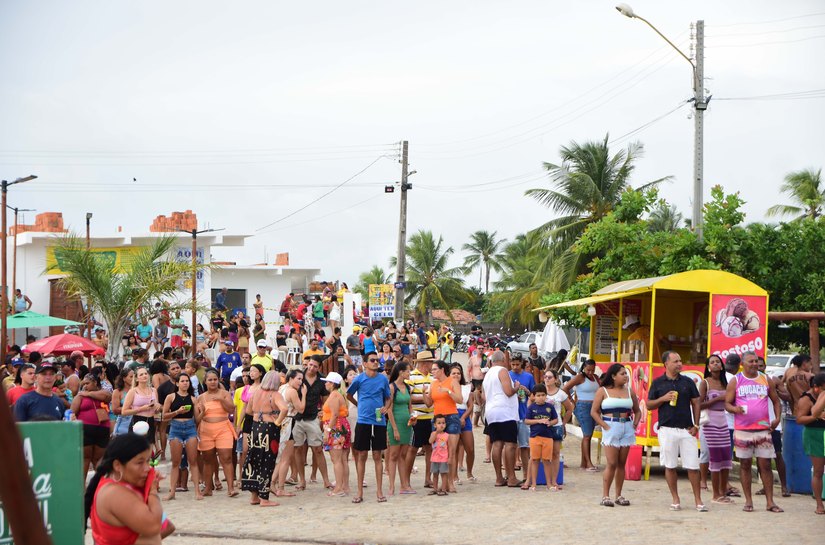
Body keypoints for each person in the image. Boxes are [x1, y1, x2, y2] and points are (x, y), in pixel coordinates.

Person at [85, 433, 171, 544]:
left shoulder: (120, 487)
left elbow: (167, 526)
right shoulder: (115, 494)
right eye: (140, 462)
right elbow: (154, 526)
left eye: (147, 461)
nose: (147, 468)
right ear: (117, 465)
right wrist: (152, 490)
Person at [648, 351, 706, 512]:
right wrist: (663, 399)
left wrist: (696, 424)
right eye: (675, 361)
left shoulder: (687, 382)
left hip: (687, 430)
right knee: (670, 465)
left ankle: (698, 500)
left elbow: (696, 402)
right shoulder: (658, 383)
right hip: (667, 429)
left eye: (680, 361)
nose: (679, 364)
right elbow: (649, 405)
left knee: (693, 466)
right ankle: (675, 498)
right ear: (666, 364)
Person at [725, 351, 783, 513]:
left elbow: (776, 401)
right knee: (745, 465)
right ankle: (748, 501)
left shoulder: (766, 379)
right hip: (743, 430)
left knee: (765, 465)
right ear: (743, 363)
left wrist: (777, 418)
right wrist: (735, 408)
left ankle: (770, 502)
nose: (755, 363)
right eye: (751, 361)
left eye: (756, 361)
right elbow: (727, 404)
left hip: (763, 430)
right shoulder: (736, 381)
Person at [590, 364, 640, 506]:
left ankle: (618, 495)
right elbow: (594, 411)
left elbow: (637, 410)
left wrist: (635, 424)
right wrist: (605, 425)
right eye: (622, 373)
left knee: (621, 463)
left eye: (626, 373)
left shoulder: (630, 391)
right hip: (611, 425)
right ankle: (605, 495)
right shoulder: (603, 391)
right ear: (613, 376)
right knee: (611, 462)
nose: (626, 376)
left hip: (627, 426)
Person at [346, 351, 391, 503]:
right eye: (372, 360)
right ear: (365, 363)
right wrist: (359, 405)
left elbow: (388, 398)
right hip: (363, 421)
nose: (375, 362)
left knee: (378, 456)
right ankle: (359, 492)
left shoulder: (383, 379)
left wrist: (386, 407)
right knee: (362, 455)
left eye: (377, 360)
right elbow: (349, 394)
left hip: (379, 421)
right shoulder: (359, 379)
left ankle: (379, 491)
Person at [242, 370, 286, 507]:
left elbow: (248, 411)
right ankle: (264, 498)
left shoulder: (256, 392)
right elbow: (284, 409)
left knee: (254, 460)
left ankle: (254, 496)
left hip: (255, 427)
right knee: (267, 462)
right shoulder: (275, 394)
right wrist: (278, 421)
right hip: (269, 428)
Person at [197, 368, 239, 497]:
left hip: (223, 427)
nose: (213, 382)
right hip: (206, 429)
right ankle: (208, 487)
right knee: (207, 459)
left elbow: (231, 409)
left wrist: (221, 400)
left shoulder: (224, 393)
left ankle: (230, 488)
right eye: (210, 380)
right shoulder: (201, 397)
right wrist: (203, 411)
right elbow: (197, 419)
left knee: (226, 458)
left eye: (215, 379)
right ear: (205, 382)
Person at [698, 354, 734, 504]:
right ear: (708, 367)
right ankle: (715, 494)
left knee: (726, 456)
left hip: (723, 420)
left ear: (722, 365)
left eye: (717, 362)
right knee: (714, 456)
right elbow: (699, 405)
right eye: (712, 362)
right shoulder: (705, 383)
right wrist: (717, 399)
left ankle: (723, 491)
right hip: (709, 421)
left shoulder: (727, 382)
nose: (715, 364)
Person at [481, 350, 520, 488]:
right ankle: (511, 477)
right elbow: (508, 392)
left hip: (491, 412)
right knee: (510, 444)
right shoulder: (502, 371)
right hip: (505, 411)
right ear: (503, 360)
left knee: (497, 443)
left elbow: (483, 396)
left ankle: (499, 477)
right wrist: (516, 387)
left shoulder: (487, 375)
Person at [162, 372, 203, 501]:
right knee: (176, 462)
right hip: (175, 427)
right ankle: (172, 491)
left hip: (190, 428)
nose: (185, 383)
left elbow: (197, 419)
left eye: (187, 381)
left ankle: (197, 491)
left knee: (193, 461)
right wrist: (177, 412)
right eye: (183, 381)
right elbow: (164, 416)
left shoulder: (193, 398)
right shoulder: (171, 397)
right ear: (177, 383)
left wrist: (204, 411)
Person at [293, 358, 332, 490]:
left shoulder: (322, 380)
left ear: (319, 367)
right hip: (297, 417)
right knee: (298, 448)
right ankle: (302, 480)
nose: (311, 368)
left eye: (315, 366)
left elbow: (326, 398)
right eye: (310, 365)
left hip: (313, 417)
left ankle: (326, 480)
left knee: (318, 449)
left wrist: (323, 413)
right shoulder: (298, 376)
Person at [795, 371, 825, 515]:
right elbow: (800, 419)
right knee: (818, 470)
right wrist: (817, 417)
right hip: (814, 434)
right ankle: (819, 504)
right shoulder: (806, 399)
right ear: (816, 387)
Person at [273, 369, 306, 498]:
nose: (300, 381)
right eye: (298, 378)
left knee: (280, 458)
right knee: (285, 458)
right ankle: (280, 487)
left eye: (301, 379)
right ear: (291, 378)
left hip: (280, 422)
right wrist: (304, 394)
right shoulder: (292, 391)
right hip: (289, 423)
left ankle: (272, 482)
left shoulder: (281, 388)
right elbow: (301, 409)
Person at [563, 358, 599, 471]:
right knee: (587, 435)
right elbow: (565, 388)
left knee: (588, 435)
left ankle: (584, 463)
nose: (590, 372)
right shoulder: (580, 377)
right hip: (583, 406)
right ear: (584, 368)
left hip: (594, 407)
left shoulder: (595, 378)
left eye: (592, 370)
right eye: (588, 370)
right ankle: (588, 462)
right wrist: (572, 402)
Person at [72, 373, 112, 474]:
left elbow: (108, 396)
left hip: (102, 430)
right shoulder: (80, 396)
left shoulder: (103, 393)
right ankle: (82, 487)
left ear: (95, 382)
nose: (85, 386)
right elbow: (72, 412)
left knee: (98, 459)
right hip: (85, 430)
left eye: (87, 383)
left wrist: (88, 394)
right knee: (85, 458)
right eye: (83, 384)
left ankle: (98, 485)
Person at [386, 362, 416, 495]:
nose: (409, 374)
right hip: (396, 423)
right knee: (393, 455)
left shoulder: (408, 388)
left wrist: (413, 416)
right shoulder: (392, 387)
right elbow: (389, 409)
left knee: (403, 455)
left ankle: (404, 485)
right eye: (408, 371)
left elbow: (410, 406)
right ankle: (391, 486)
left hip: (406, 424)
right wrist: (395, 428)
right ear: (401, 372)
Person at [321, 371, 351, 497]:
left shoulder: (334, 396)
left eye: (327, 382)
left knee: (336, 459)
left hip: (335, 427)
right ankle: (344, 486)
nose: (326, 384)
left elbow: (334, 415)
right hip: (342, 426)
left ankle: (338, 487)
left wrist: (327, 432)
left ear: (333, 384)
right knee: (343, 459)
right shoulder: (339, 395)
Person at [407, 350, 435, 487]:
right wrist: (425, 397)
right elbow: (408, 397)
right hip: (417, 417)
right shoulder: (411, 377)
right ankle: (406, 479)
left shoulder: (433, 378)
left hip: (430, 417)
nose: (432, 365)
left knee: (429, 448)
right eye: (430, 362)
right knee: (412, 448)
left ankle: (428, 478)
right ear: (425, 363)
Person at [524, 383, 559, 491]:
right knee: (534, 460)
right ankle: (533, 483)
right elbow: (526, 421)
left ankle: (549, 483)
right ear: (534, 396)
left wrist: (550, 423)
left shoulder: (550, 407)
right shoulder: (531, 408)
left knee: (546, 460)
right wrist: (538, 421)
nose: (541, 397)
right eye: (538, 395)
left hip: (548, 437)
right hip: (535, 437)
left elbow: (556, 419)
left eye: (543, 395)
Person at [543, 369, 573, 489]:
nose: (547, 379)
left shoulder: (561, 394)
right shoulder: (541, 391)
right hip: (542, 425)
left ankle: (554, 480)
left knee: (555, 454)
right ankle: (546, 479)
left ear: (556, 379)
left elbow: (570, 409)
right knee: (544, 454)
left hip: (556, 426)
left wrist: (563, 423)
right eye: (545, 377)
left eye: (550, 377)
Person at [508, 353, 535, 487]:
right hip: (510, 415)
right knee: (510, 446)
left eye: (517, 364)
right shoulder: (507, 375)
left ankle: (526, 474)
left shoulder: (528, 377)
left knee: (524, 446)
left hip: (524, 415)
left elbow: (534, 395)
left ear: (522, 363)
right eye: (513, 364)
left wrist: (527, 391)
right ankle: (509, 473)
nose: (515, 367)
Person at [122, 368, 160, 447]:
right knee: (137, 450)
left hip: (150, 421)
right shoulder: (133, 391)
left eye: (146, 373)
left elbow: (156, 411)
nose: (144, 376)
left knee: (148, 450)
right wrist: (141, 409)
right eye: (141, 374)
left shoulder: (154, 390)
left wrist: (157, 407)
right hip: (138, 421)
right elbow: (124, 411)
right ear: (136, 378)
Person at [452, 363, 476, 484]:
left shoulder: (467, 388)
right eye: (454, 373)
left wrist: (463, 417)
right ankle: (454, 475)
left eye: (458, 373)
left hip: (464, 416)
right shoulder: (448, 388)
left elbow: (471, 405)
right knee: (455, 448)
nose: (456, 375)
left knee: (470, 448)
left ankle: (469, 472)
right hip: (452, 415)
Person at [428, 415, 450, 496]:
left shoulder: (447, 435)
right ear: (435, 425)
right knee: (435, 474)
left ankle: (443, 489)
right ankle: (435, 488)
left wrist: (450, 457)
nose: (441, 425)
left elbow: (449, 447)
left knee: (444, 474)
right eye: (439, 423)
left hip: (444, 457)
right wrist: (436, 432)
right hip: (434, 458)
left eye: (443, 423)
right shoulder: (433, 433)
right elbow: (430, 441)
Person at [112, 369, 135, 436]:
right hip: (124, 423)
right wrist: (131, 408)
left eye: (134, 376)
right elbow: (115, 410)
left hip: (137, 422)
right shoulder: (117, 392)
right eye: (131, 377)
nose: (133, 379)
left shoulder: (138, 390)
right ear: (124, 378)